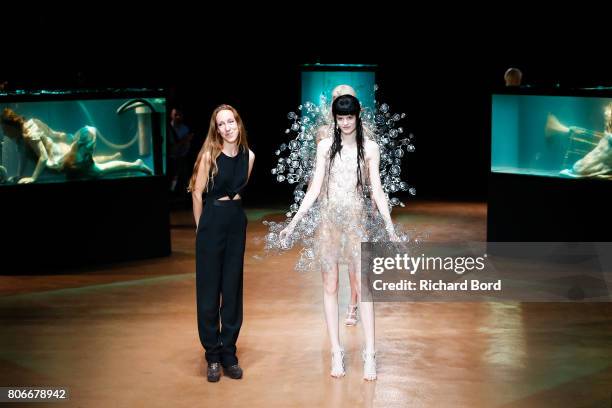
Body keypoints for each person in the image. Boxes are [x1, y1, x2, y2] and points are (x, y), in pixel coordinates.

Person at [279, 95, 399, 381]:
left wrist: (390, 225)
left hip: (357, 220)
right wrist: (293, 222)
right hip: (329, 222)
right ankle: (336, 351)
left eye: (349, 118)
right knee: (330, 284)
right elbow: (315, 187)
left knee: (365, 286)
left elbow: (378, 190)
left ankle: (370, 354)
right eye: (340, 118)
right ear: (334, 118)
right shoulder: (325, 147)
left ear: (358, 117)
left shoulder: (370, 148)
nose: (345, 123)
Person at [188, 104, 255, 382]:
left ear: (238, 124)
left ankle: (229, 352)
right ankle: (212, 355)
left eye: (231, 122)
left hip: (236, 222)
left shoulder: (249, 156)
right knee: (208, 291)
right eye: (221, 124)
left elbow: (239, 189)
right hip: (212, 221)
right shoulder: (209, 156)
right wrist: (201, 230)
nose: (227, 127)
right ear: (216, 130)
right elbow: (196, 194)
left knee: (232, 289)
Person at [0, 108, 151, 183]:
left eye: (5, 130)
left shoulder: (29, 133)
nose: (5, 134)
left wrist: (33, 178)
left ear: (11, 126)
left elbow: (43, 157)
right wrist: (19, 176)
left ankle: (136, 165)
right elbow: (24, 156)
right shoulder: (24, 133)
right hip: (64, 154)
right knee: (91, 163)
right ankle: (113, 158)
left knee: (97, 171)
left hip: (63, 158)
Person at [168, 107, 193, 194]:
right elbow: (172, 148)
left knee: (184, 177)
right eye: (175, 115)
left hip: (182, 157)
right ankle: (172, 193)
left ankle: (186, 195)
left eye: (179, 115)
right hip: (171, 159)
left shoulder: (185, 128)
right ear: (171, 115)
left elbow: (186, 146)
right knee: (174, 177)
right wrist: (185, 140)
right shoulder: (168, 129)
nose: (178, 117)